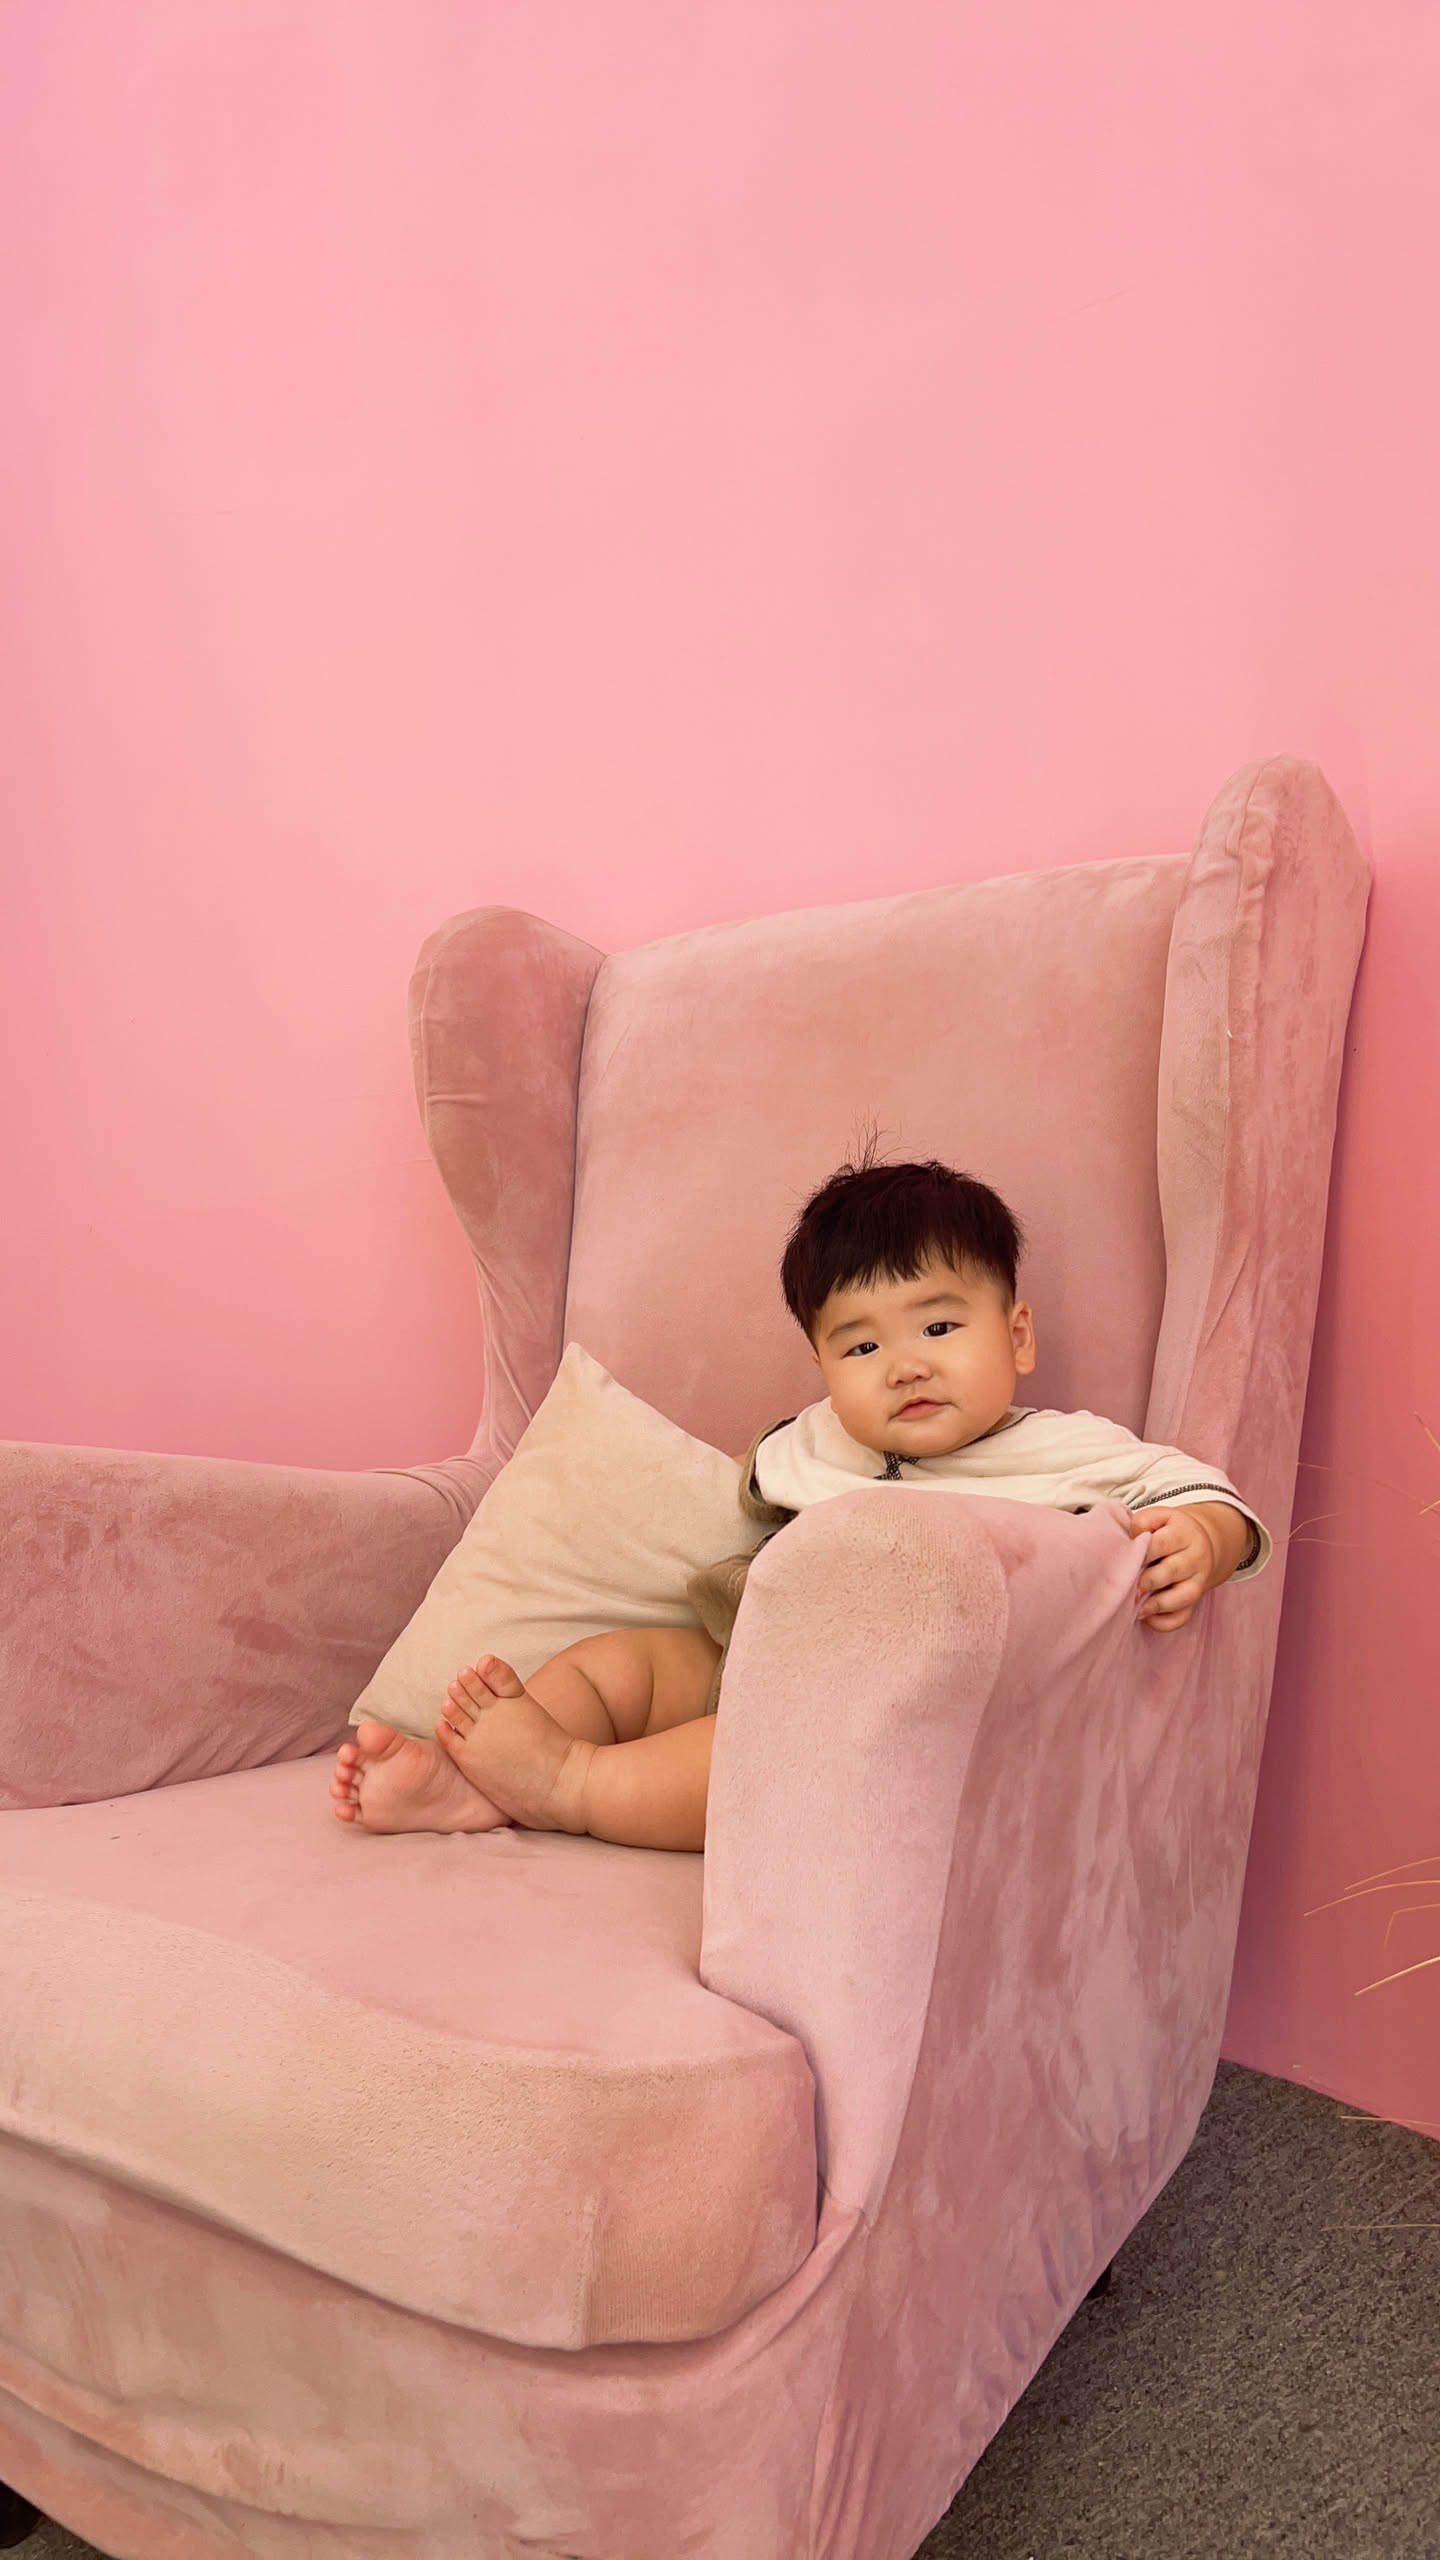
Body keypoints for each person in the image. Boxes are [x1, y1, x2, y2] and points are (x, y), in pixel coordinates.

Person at [330, 1155, 1268, 1853]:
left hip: (844, 1709)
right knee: (613, 1666)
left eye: (941, 1326)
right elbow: (753, 1473)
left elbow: (1197, 1488)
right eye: (860, 1348)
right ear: (821, 1366)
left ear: (1017, 1335)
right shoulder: (820, 1440)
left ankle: (571, 1783)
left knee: (752, 1758)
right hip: (736, 1646)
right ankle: (471, 1785)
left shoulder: (1064, 1450)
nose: (904, 1366)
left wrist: (1207, 1537)